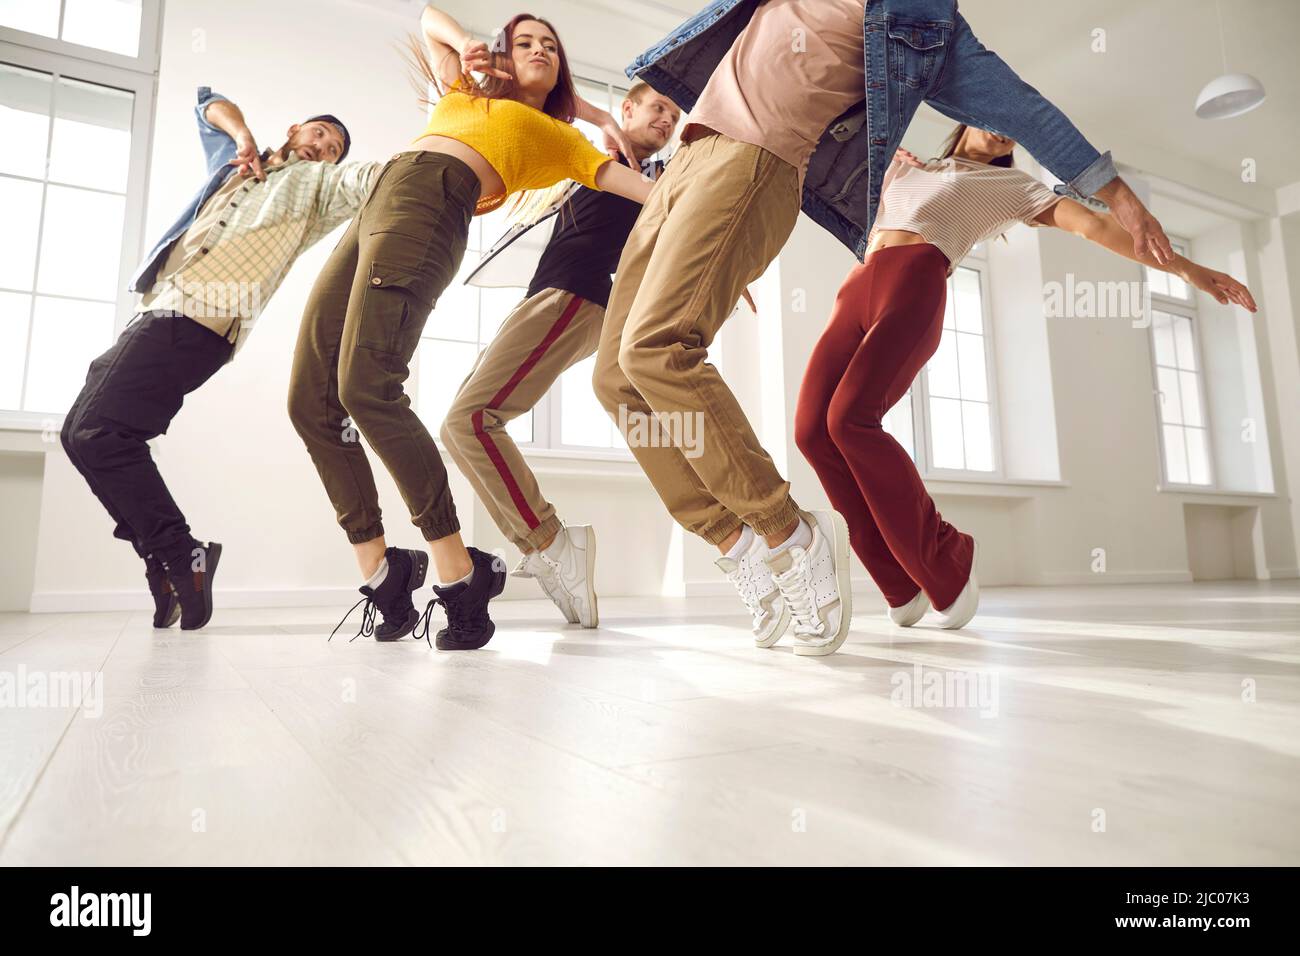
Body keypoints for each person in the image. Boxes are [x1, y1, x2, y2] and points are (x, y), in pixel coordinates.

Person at [594, 0, 1176, 657]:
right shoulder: (918, 168)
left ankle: (792, 537)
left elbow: (1023, 109)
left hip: (759, 165)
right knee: (617, 377)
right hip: (688, 157)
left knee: (669, 353)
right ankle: (739, 543)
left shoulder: (925, 27)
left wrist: (1118, 195)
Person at [290, 5, 655, 650]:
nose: (539, 48)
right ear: (504, 56)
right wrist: (466, 42)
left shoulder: (559, 140)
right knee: (310, 401)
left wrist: (595, 120)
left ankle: (461, 577)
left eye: (551, 44)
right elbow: (431, 15)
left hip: (433, 204)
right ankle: (383, 572)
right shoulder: (466, 90)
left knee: (366, 388)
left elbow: (655, 196)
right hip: (378, 203)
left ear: (560, 69)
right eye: (524, 41)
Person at [796, 129, 1258, 630]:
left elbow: (1096, 228)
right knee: (811, 432)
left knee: (850, 420)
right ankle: (900, 585)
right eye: (990, 120)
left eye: (1009, 134)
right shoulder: (906, 164)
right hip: (857, 285)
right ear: (964, 117)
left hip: (914, 282)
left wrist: (1188, 270)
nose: (999, 132)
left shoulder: (1012, 187)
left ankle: (946, 559)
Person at [61, 86, 372, 631]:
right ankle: (167, 561)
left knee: (95, 431)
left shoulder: (318, 186)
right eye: (320, 133)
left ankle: (180, 555)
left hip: (201, 318)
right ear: (296, 127)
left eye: (334, 148)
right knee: (82, 434)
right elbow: (207, 102)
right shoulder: (232, 162)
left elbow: (365, 181)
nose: (324, 148)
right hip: (161, 309)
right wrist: (244, 136)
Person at [439, 81, 681, 629]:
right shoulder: (598, 157)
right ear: (628, 108)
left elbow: (681, 224)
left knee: (471, 420)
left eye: (673, 114)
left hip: (574, 296)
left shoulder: (655, 177)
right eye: (658, 108)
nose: (666, 120)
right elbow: (556, 107)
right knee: (462, 423)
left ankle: (550, 544)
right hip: (546, 297)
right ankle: (548, 544)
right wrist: (602, 120)